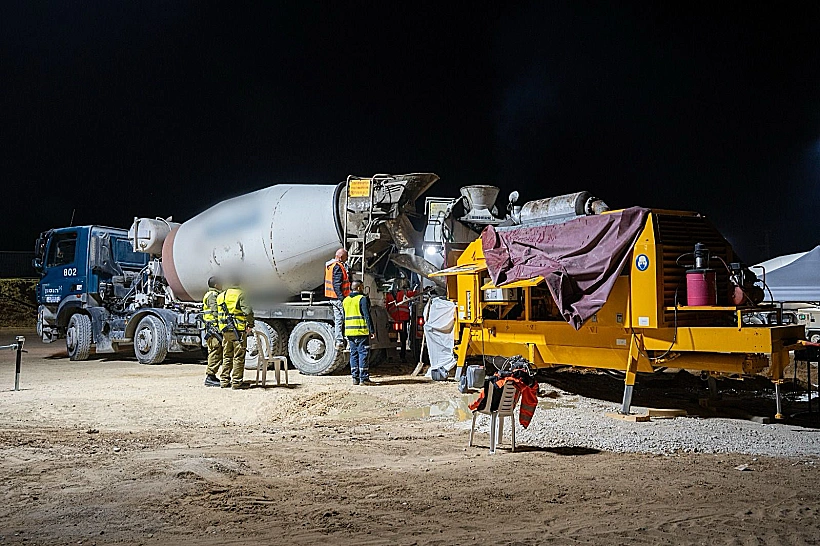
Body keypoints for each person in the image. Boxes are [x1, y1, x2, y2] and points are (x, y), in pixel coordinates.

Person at [216, 279, 254, 390]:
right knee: (238, 356)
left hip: (225, 330)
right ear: (239, 283)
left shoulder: (221, 296)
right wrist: (250, 324)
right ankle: (236, 382)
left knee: (227, 356)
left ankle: (224, 381)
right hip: (238, 330)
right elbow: (248, 312)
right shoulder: (241, 294)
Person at [343, 280, 376, 385]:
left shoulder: (346, 300)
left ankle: (355, 378)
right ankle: (364, 378)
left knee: (353, 354)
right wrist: (371, 330)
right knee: (363, 353)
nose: (363, 288)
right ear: (358, 288)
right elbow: (367, 315)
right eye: (361, 286)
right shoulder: (362, 299)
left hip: (349, 331)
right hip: (361, 331)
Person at [385, 275, 417, 362]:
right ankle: (401, 355)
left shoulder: (388, 295)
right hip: (402, 319)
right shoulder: (404, 293)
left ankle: (393, 355)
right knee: (402, 337)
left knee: (394, 338)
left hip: (394, 319)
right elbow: (414, 293)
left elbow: (386, 306)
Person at [324, 248, 350, 350]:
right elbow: (337, 283)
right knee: (347, 319)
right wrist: (342, 298)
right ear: (340, 257)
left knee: (338, 320)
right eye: (345, 257)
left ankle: (339, 341)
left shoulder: (330, 265)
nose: (346, 259)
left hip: (332, 297)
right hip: (339, 298)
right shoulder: (338, 267)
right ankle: (348, 341)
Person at [202, 276, 223, 387]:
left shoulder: (209, 294)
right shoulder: (213, 296)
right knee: (215, 351)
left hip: (212, 327)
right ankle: (210, 376)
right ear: (216, 285)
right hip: (214, 328)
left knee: (215, 351)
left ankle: (212, 375)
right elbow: (216, 312)